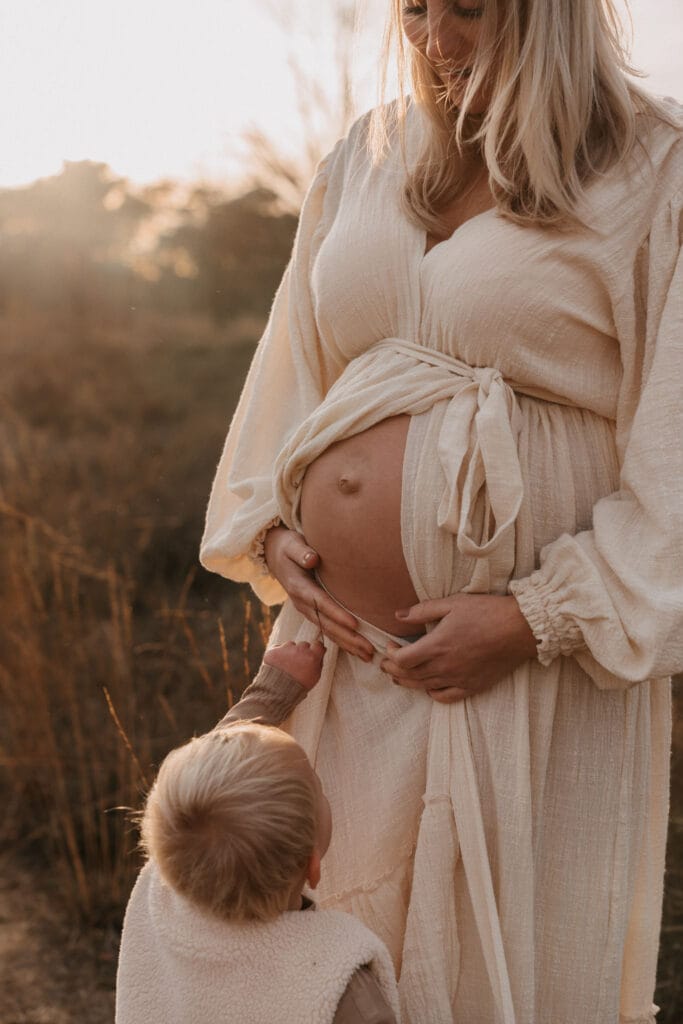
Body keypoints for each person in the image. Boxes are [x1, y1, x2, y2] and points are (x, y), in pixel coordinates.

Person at [200, 1, 683, 1021]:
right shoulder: (364, 158)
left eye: (468, 9)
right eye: (415, 8)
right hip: (345, 660)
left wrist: (533, 617)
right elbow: (294, 366)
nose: (433, 39)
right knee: (326, 964)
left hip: (524, 675)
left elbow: (675, 448)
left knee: (492, 974)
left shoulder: (652, 170)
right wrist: (274, 526)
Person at [115, 639, 401, 1024]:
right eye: (316, 785)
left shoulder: (167, 883)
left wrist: (273, 689)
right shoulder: (338, 979)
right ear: (311, 866)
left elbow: (216, 770)